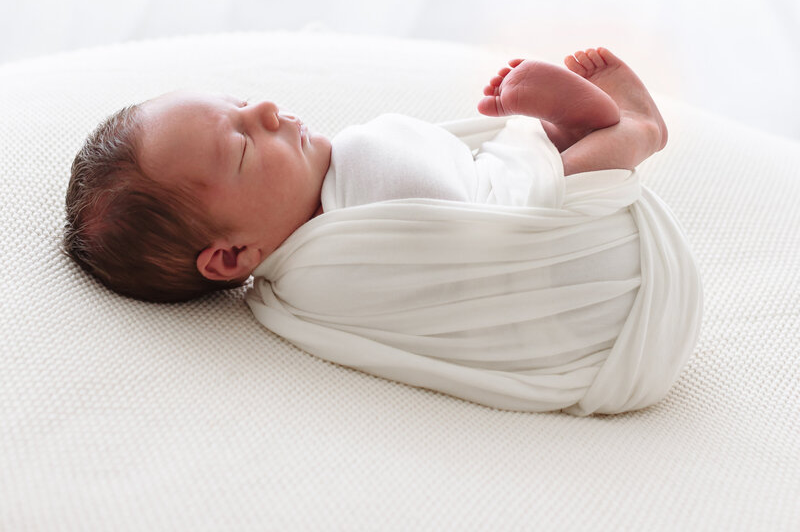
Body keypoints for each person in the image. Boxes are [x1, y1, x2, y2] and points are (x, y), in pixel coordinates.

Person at [64, 48, 702, 414]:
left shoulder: (293, 301)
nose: (263, 109)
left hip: (622, 345)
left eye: (239, 103)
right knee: (508, 197)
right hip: (606, 271)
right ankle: (626, 134)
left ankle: (558, 144)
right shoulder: (356, 182)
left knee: (503, 195)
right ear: (230, 256)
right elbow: (487, 241)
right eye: (242, 147)